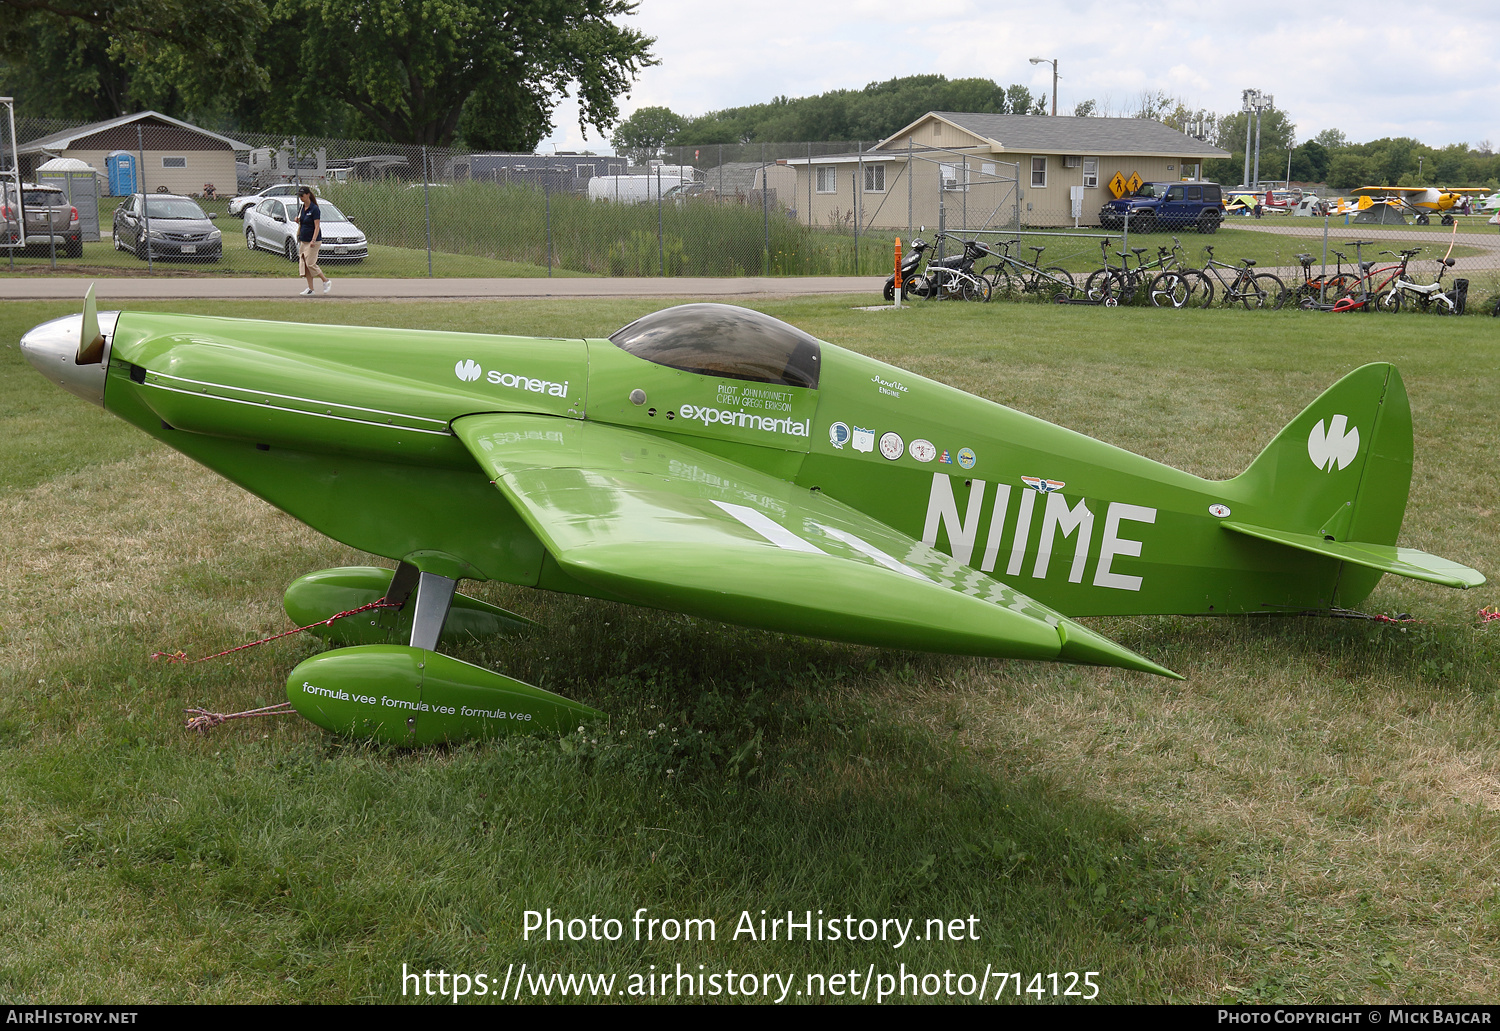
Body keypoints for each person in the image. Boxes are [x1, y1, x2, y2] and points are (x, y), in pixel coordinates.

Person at [294, 186, 331, 295]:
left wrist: (313, 240)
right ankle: (311, 289)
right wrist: (297, 221)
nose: (301, 197)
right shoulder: (302, 208)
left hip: (313, 241)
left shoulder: (314, 209)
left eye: (302, 195)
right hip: (304, 240)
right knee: (305, 265)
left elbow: (317, 226)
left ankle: (326, 281)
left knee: (310, 263)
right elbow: (304, 222)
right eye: (299, 195)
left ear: (308, 195)